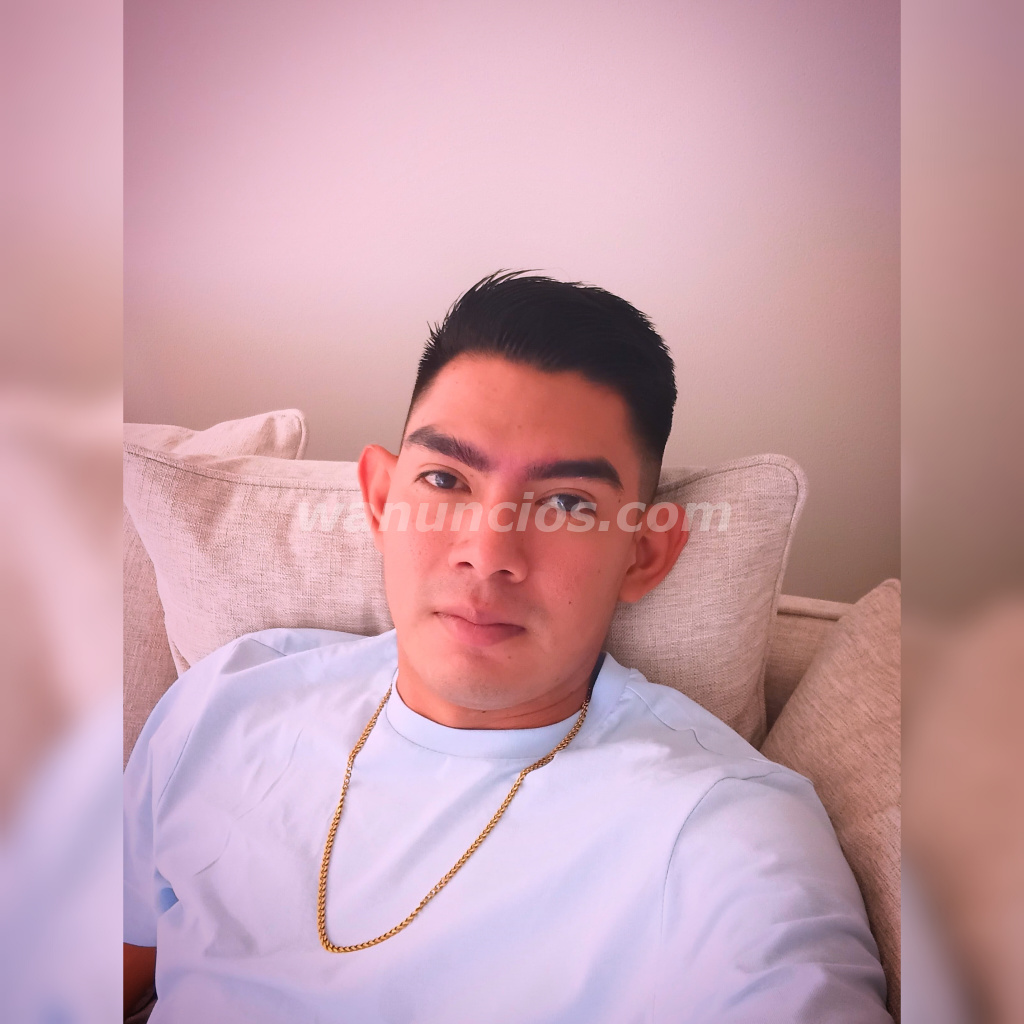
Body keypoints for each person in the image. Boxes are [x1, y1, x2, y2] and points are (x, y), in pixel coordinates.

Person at [123, 272, 891, 1022]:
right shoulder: (226, 700)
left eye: (566, 503)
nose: (488, 553)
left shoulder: (721, 830)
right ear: (383, 500)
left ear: (644, 555)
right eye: (446, 480)